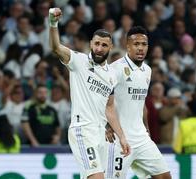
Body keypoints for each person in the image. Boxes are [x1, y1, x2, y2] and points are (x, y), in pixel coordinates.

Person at [48, 8, 130, 179]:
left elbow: (109, 108)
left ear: (111, 47)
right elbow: (56, 47)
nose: (99, 48)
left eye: (104, 45)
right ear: (91, 43)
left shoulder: (111, 75)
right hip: (82, 130)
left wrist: (121, 136)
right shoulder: (79, 61)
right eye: (97, 44)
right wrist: (53, 23)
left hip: (101, 134)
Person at [106, 26, 171, 179]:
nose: (140, 48)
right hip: (119, 140)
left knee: (164, 176)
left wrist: (146, 128)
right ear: (127, 46)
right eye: (136, 44)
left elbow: (141, 103)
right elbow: (99, 100)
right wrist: (105, 125)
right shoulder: (115, 69)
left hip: (141, 138)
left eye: (144, 44)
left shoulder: (147, 71)